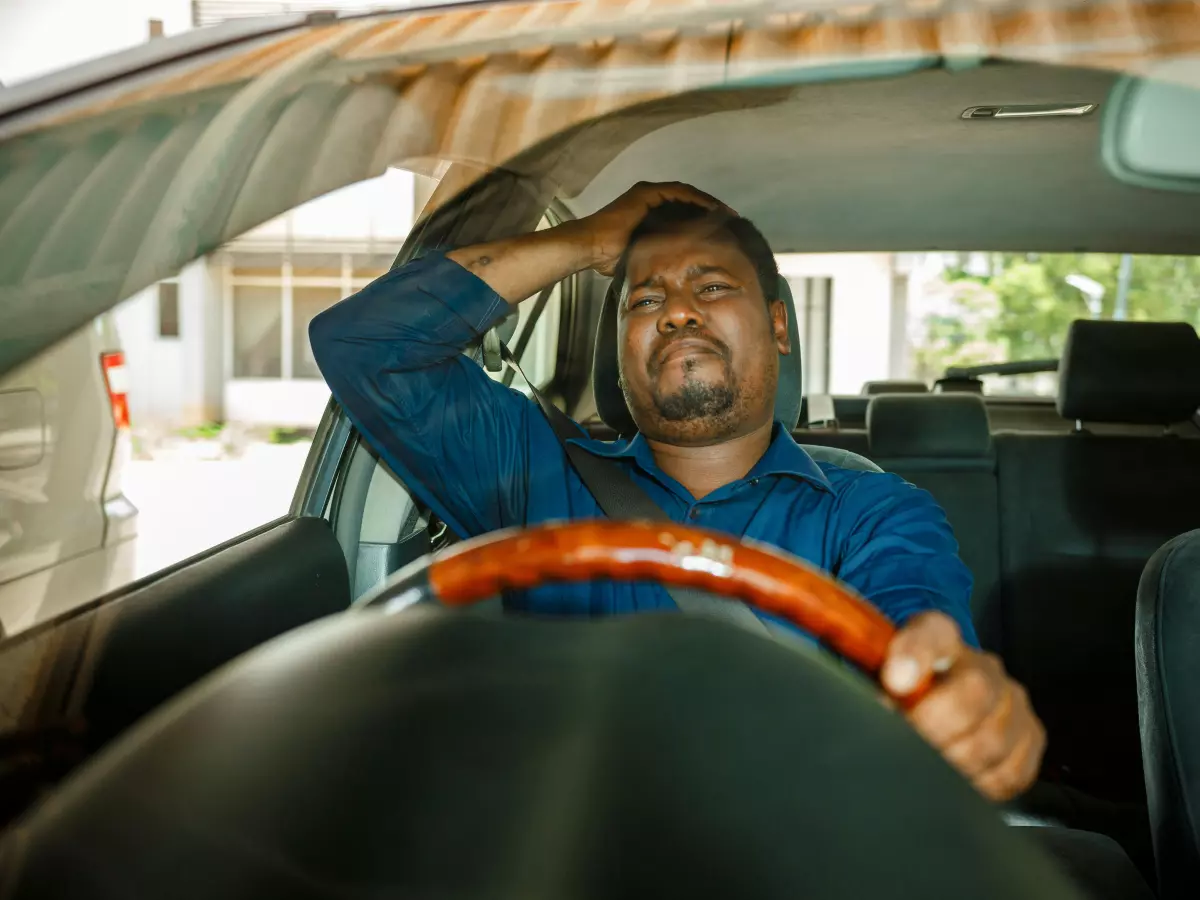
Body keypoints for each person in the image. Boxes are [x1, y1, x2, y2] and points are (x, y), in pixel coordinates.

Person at [310, 181, 1045, 801]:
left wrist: (956, 698)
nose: (679, 311)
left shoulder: (874, 511)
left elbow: (922, 626)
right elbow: (363, 342)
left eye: (714, 286)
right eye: (644, 300)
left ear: (779, 326)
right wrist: (587, 242)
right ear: (620, 350)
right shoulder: (528, 467)